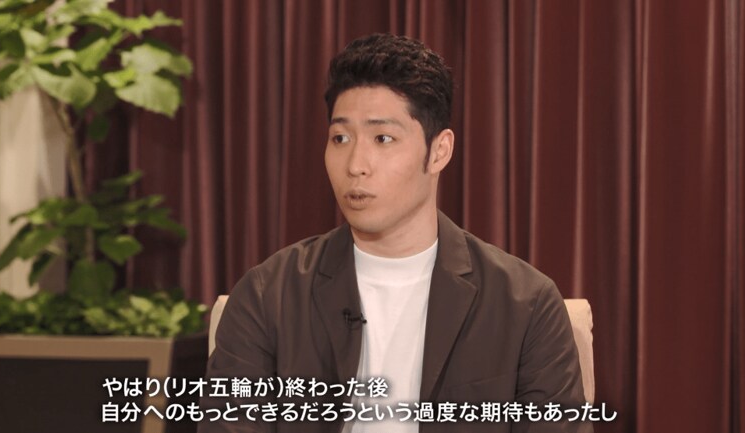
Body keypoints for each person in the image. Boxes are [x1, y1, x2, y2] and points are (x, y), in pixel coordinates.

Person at [198, 33, 591, 433]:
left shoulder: (526, 305)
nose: (356, 164)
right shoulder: (268, 296)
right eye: (340, 138)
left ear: (439, 151)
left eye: (382, 138)